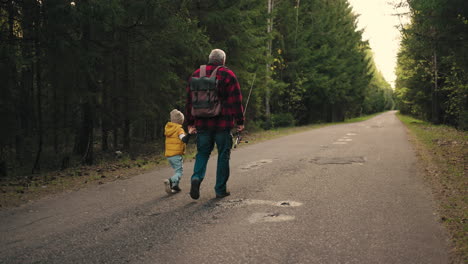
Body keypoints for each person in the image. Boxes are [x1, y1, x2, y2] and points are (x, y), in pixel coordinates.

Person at [185, 49, 245, 200]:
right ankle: (220, 189)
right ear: (223, 61)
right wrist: (240, 121)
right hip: (222, 123)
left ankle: (196, 178)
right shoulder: (227, 74)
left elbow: (189, 101)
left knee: (203, 153)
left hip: (202, 123)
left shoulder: (196, 74)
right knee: (223, 155)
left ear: (210, 59)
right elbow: (235, 100)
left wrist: (191, 123)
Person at [163, 109, 194, 194]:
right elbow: (184, 140)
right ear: (181, 121)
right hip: (176, 155)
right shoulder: (179, 129)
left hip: (169, 155)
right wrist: (190, 133)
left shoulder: (169, 128)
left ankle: (175, 186)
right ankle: (170, 181)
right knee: (179, 172)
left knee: (177, 171)